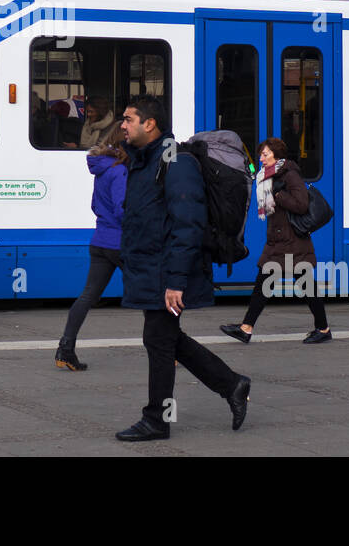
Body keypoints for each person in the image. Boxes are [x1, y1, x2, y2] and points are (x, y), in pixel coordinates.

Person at [114, 96, 251, 441]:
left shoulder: (177, 162)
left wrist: (175, 281)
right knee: (164, 338)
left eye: (129, 119)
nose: (123, 125)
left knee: (159, 340)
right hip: (153, 268)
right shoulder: (145, 161)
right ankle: (232, 384)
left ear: (150, 124)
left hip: (168, 272)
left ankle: (157, 419)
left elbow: (188, 224)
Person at [221, 137, 330, 345]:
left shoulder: (290, 174)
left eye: (265, 154)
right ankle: (246, 328)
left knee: (302, 285)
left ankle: (323, 328)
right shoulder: (267, 176)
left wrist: (278, 194)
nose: (261, 158)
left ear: (276, 156)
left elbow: (301, 204)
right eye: (261, 154)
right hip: (279, 240)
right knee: (267, 283)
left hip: (291, 240)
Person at [56, 130, 127, 370]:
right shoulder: (120, 170)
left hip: (100, 240)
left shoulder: (103, 168)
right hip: (121, 243)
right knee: (152, 294)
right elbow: (121, 209)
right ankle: (170, 349)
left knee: (87, 296)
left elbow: (96, 204)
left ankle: (65, 349)